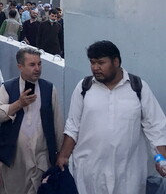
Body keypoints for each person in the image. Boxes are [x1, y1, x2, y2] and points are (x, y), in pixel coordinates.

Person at [56, 40, 166, 194]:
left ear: (116, 62)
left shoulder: (138, 88)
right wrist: (63, 156)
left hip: (128, 174)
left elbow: (155, 126)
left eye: (101, 63)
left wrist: (162, 159)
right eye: (92, 62)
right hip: (89, 171)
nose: (95, 68)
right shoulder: (84, 87)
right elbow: (73, 125)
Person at [0, 47, 64, 194]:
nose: (37, 68)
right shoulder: (8, 88)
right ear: (20, 67)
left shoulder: (49, 89)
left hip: (41, 159)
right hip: (14, 161)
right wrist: (19, 104)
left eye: (39, 64)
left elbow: (57, 124)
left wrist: (60, 155)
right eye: (32, 65)